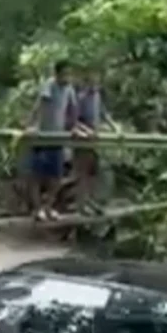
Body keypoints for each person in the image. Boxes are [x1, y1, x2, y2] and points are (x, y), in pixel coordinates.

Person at [26, 59, 77, 221]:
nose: (67, 77)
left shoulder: (69, 89)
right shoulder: (49, 85)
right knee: (37, 175)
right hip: (42, 136)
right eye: (65, 74)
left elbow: (72, 111)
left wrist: (74, 128)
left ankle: (49, 207)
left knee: (56, 177)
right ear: (57, 74)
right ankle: (37, 209)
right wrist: (31, 125)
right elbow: (39, 106)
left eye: (69, 73)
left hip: (58, 137)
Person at [73, 68, 119, 216]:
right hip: (82, 139)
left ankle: (91, 202)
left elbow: (104, 114)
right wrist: (86, 131)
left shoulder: (97, 97)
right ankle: (81, 205)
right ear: (87, 82)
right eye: (93, 81)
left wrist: (116, 129)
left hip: (95, 140)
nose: (95, 84)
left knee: (95, 173)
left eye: (97, 81)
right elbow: (73, 121)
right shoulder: (80, 98)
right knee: (82, 174)